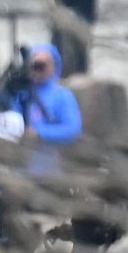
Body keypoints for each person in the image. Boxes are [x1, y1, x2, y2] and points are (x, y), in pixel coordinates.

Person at [12, 42, 84, 177]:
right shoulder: (20, 94)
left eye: (42, 66)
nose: (36, 70)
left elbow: (72, 129)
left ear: (54, 66)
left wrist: (39, 133)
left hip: (50, 166)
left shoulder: (63, 96)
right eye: (33, 65)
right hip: (21, 166)